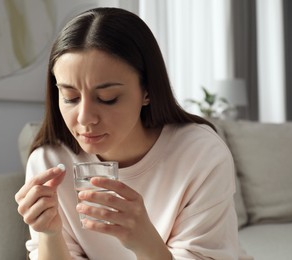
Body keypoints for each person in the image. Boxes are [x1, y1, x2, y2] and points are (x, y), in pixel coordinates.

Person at [15, 7, 251, 260]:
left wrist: (144, 241)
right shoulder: (49, 162)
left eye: (107, 98)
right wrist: (50, 235)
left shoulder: (201, 153)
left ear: (147, 91)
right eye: (70, 97)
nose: (84, 118)